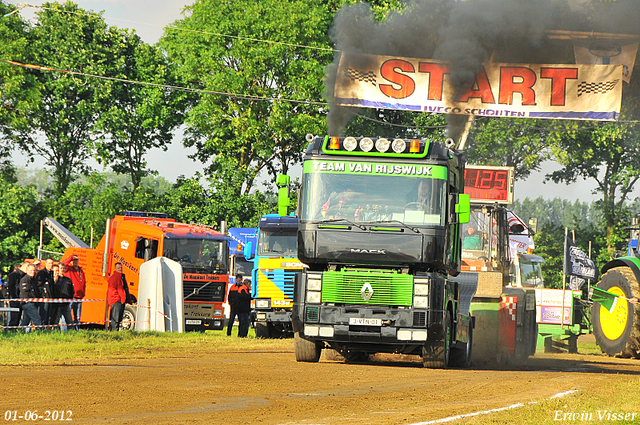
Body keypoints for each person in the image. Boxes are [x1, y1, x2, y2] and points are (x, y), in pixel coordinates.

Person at [63, 255, 86, 330]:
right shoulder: (69, 269)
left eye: (77, 260)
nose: (75, 261)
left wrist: (83, 293)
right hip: (72, 296)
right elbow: (63, 264)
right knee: (67, 314)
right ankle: (64, 331)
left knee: (78, 317)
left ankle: (76, 330)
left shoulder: (81, 270)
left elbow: (84, 283)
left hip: (79, 296)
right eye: (74, 260)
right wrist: (71, 258)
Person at [19, 263, 42, 330]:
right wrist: (31, 301)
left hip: (32, 303)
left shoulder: (33, 280)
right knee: (37, 318)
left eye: (34, 270)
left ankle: (20, 331)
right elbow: (25, 293)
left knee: (26, 320)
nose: (33, 272)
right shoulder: (25, 279)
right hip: (28, 303)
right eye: (31, 270)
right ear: (27, 271)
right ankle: (40, 333)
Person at [107, 262, 129, 331]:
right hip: (116, 302)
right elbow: (112, 290)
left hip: (120, 301)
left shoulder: (121, 277)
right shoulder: (114, 278)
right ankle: (113, 335)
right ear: (115, 269)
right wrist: (117, 299)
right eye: (118, 268)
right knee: (115, 321)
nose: (120, 269)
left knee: (118, 320)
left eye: (121, 268)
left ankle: (115, 334)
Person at [54, 263, 74, 332]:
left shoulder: (68, 280)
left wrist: (70, 299)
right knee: (56, 321)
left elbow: (72, 291)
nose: (62, 270)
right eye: (60, 268)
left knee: (69, 321)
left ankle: (71, 333)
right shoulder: (56, 279)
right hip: (57, 304)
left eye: (63, 268)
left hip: (66, 304)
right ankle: (55, 333)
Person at [5, 263, 26, 328]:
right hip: (14, 298)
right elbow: (10, 287)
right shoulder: (13, 275)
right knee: (13, 316)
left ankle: (15, 330)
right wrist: (13, 297)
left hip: (19, 298)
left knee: (18, 317)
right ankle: (10, 330)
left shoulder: (23, 275)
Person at [37, 258, 55, 325]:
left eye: (52, 263)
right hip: (44, 298)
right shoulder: (42, 273)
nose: (51, 265)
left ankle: (46, 329)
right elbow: (39, 285)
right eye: (49, 263)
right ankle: (41, 329)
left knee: (48, 315)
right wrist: (43, 294)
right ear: (46, 264)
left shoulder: (51, 273)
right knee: (43, 314)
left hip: (50, 297)